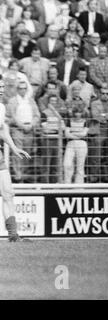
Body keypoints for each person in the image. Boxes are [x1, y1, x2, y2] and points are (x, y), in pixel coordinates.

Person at [0, 77, 31, 241]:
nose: (1, 89)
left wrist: (14, 147)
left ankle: (13, 235)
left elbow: (2, 129)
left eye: (2, 86)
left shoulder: (1, 107)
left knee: (8, 194)